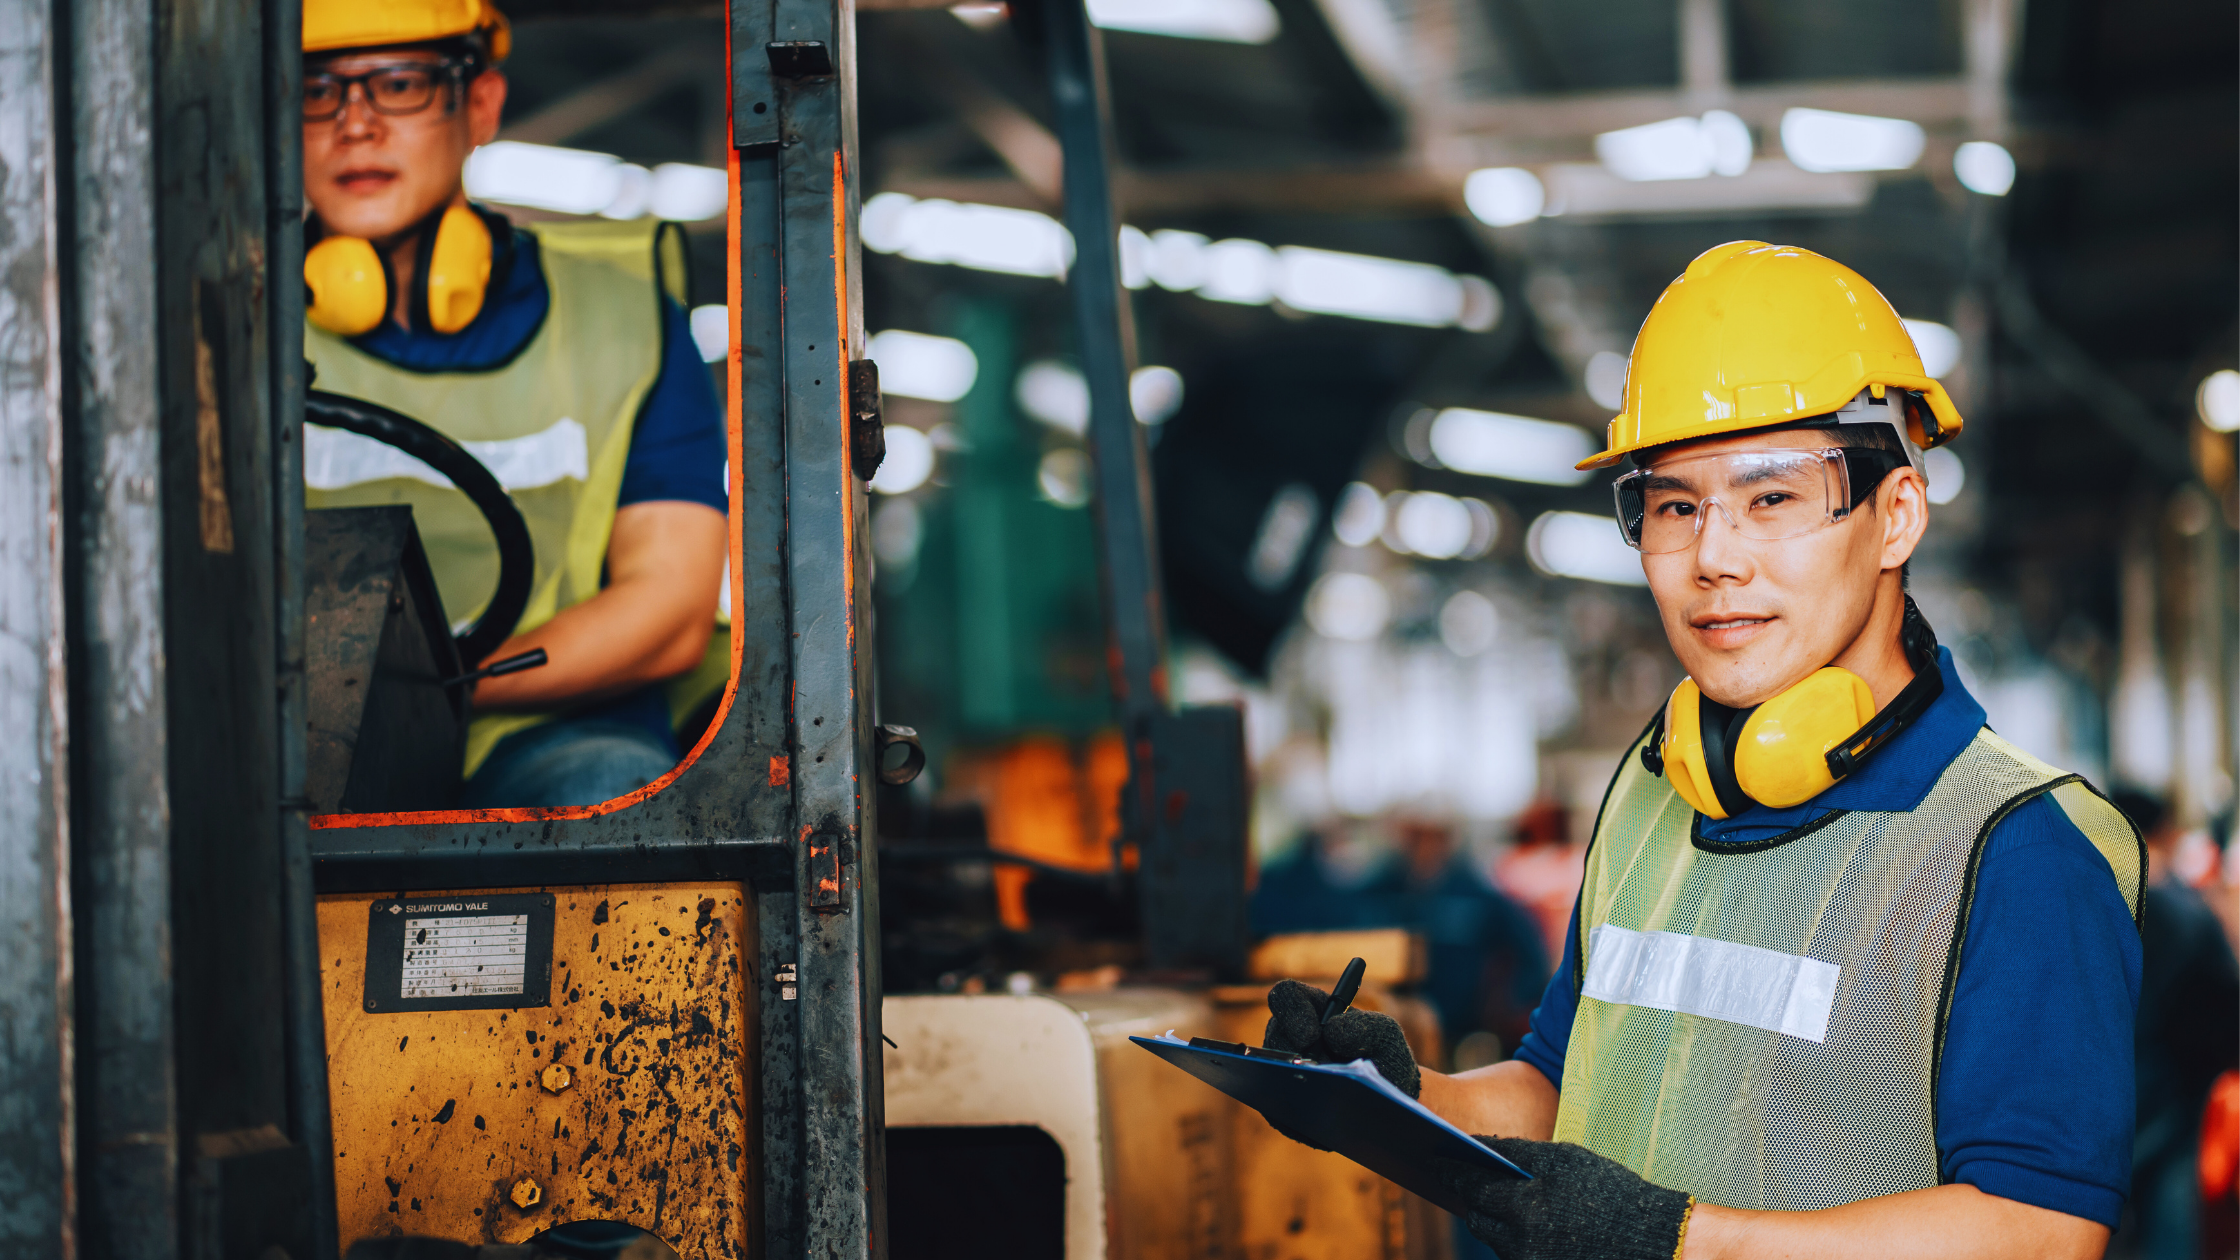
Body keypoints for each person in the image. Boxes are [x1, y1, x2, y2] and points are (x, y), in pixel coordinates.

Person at [1262, 241, 2144, 1260]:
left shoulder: (2013, 847)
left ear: (1894, 514)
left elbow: (2038, 1230)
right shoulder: (1650, 794)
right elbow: (1560, 1086)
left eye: (1771, 498)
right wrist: (1403, 1099)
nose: (1713, 559)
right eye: (1675, 506)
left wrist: (1681, 1241)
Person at [299, 0, 729, 808]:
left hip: (547, 733)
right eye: (316, 91)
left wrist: (428, 693)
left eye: (398, 83)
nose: (353, 125)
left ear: (482, 106)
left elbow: (669, 606)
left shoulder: (623, 324)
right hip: (304, 740)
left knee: (609, 786)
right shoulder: (237, 325)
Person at [2107, 789, 2239, 1259]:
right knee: (2171, 1233)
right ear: (2162, 832)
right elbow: (2227, 1014)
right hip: (2176, 1106)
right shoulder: (2188, 911)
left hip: (2100, 1110)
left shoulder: (2086, 902)